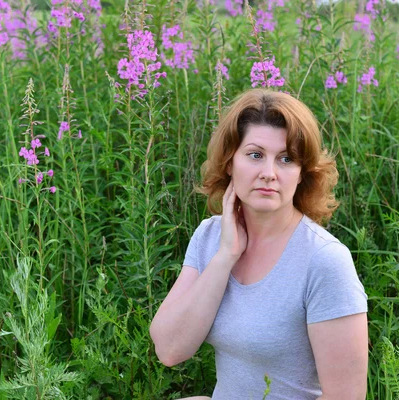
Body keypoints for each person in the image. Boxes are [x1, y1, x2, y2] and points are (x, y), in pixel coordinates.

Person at [149, 89, 368, 399]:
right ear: (229, 162)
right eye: (255, 155)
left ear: (302, 172)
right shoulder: (211, 237)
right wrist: (225, 256)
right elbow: (169, 349)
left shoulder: (325, 261)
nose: (269, 173)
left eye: (286, 159)